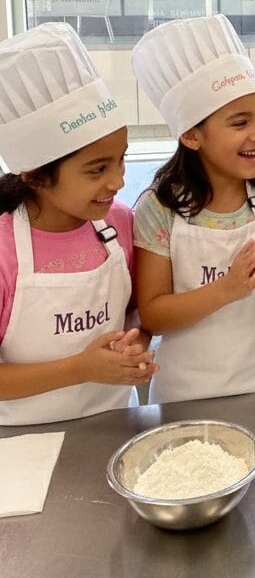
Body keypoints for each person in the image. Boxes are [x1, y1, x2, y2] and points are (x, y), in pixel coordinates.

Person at [131, 14, 255, 401]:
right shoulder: (159, 208)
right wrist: (228, 287)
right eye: (239, 122)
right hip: (185, 395)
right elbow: (154, 315)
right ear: (192, 134)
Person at [0, 23, 156, 425]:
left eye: (121, 159)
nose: (118, 181)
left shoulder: (118, 223)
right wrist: (81, 369)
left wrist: (133, 350)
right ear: (34, 175)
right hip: (20, 441)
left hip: (114, 422)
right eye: (97, 169)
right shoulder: (4, 250)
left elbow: (136, 318)